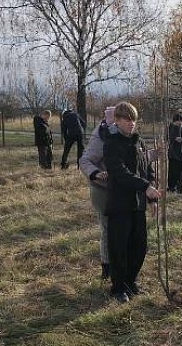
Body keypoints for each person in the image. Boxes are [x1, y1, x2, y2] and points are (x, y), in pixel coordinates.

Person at [103, 101, 160, 303]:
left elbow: (146, 169)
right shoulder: (111, 143)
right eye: (127, 119)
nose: (131, 123)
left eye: (134, 119)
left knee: (139, 245)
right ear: (117, 120)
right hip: (119, 205)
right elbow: (120, 173)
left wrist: (151, 197)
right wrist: (145, 186)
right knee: (119, 247)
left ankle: (130, 281)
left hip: (138, 205)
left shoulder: (139, 141)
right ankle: (118, 288)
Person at [80, 106, 115, 280]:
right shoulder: (101, 136)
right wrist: (96, 174)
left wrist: (150, 155)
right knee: (108, 229)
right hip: (102, 189)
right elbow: (85, 160)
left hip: (119, 190)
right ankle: (107, 268)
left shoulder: (124, 134)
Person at [167, 113, 182, 193]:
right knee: (172, 171)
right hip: (173, 153)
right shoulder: (171, 127)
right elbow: (168, 137)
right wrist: (174, 139)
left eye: (180, 121)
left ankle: (178, 186)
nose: (179, 123)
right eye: (178, 121)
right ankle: (171, 186)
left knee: (180, 170)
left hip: (181, 153)